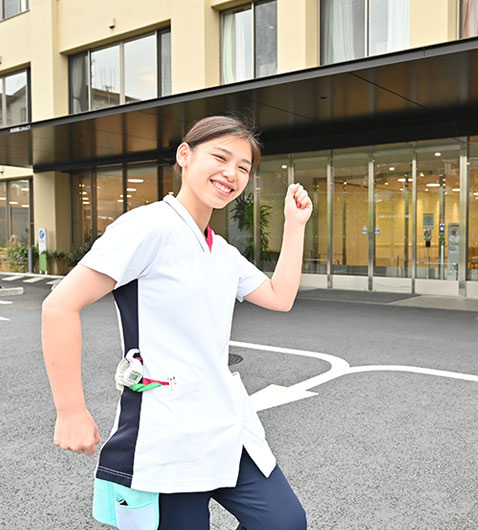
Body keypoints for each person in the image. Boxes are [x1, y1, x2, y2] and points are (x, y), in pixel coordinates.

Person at [41, 115, 311, 530]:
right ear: (185, 155)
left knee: (284, 521)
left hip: (225, 422)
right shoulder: (147, 227)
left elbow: (280, 296)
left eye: (243, 167)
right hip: (166, 428)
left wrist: (295, 227)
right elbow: (60, 305)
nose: (231, 174)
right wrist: (70, 410)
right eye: (220, 157)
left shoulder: (219, 250)